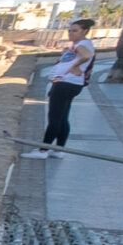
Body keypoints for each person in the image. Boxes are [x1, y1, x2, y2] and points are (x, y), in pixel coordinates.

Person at [28, 17, 96, 157]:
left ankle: (43, 150)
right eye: (69, 30)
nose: (70, 33)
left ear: (85, 31)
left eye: (75, 31)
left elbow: (87, 56)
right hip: (70, 84)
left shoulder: (81, 45)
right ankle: (59, 149)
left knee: (54, 118)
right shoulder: (83, 44)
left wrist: (75, 66)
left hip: (66, 84)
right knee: (63, 117)